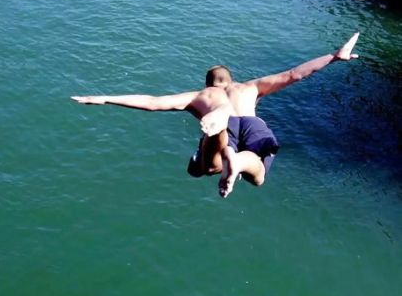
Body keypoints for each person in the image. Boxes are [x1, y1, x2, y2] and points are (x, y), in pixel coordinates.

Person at [71, 33, 361, 198]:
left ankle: (219, 138)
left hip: (225, 125)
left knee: (204, 169)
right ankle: (235, 160)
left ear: (209, 84)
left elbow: (152, 102)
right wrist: (335, 56)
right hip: (253, 124)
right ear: (231, 79)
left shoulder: (200, 96)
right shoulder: (250, 87)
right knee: (258, 174)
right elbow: (294, 74)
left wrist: (105, 97)